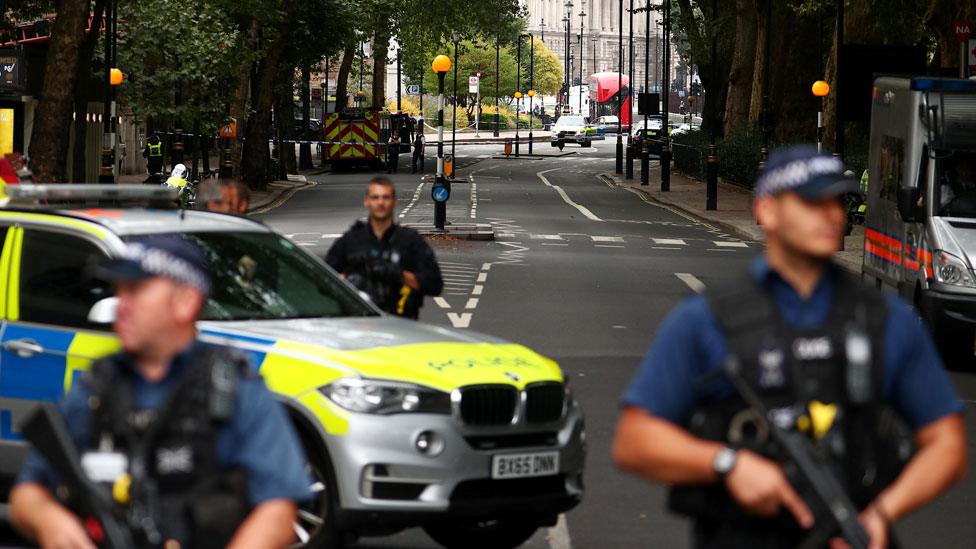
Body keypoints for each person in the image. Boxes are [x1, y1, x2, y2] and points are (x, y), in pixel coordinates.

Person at [613, 145, 967, 549]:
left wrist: (882, 514)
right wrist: (727, 464)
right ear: (766, 211)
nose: (831, 214)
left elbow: (947, 443)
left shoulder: (887, 319)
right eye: (811, 202)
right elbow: (635, 440)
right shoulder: (707, 319)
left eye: (838, 202)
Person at [10, 236, 311, 549]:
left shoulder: (234, 387)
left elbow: (279, 509)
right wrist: (47, 519)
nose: (119, 306)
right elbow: (26, 495)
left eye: (135, 291)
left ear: (185, 302)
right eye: (118, 292)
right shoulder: (96, 387)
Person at [325, 176, 443, 319]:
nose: (380, 202)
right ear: (366, 201)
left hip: (402, 324)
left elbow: (434, 284)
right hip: (359, 326)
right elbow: (324, 282)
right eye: (375, 197)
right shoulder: (350, 241)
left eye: (386, 197)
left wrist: (399, 274)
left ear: (394, 202)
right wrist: (352, 277)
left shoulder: (410, 241)